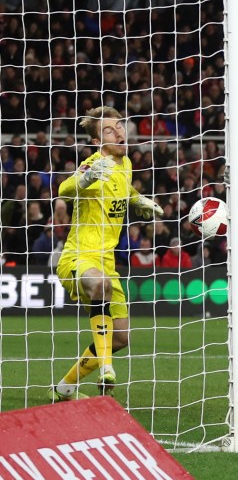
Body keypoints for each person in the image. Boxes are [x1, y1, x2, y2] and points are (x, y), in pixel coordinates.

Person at [50, 107, 163, 401]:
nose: (120, 132)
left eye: (120, 126)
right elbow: (65, 188)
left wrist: (139, 201)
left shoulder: (125, 164)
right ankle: (106, 370)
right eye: (110, 130)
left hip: (108, 264)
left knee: (122, 338)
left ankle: (65, 387)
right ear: (98, 140)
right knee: (99, 285)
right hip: (78, 258)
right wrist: (85, 180)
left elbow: (124, 190)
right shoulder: (94, 164)